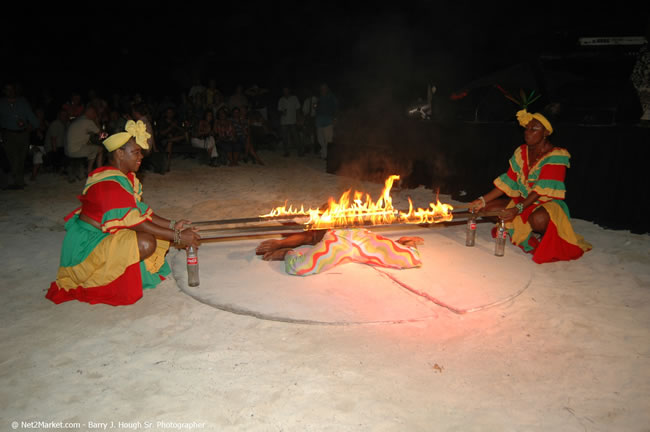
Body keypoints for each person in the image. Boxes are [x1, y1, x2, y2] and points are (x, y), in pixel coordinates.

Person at [46, 120, 201, 306]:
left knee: (156, 235)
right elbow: (136, 222)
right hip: (88, 245)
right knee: (146, 241)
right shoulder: (110, 184)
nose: (140, 156)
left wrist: (172, 225)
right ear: (120, 153)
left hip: (103, 234)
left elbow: (140, 211)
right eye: (135, 152)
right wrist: (177, 236)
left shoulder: (122, 177)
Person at [468, 109, 592, 264]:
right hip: (523, 201)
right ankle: (527, 232)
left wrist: (516, 209)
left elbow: (540, 191)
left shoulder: (557, 155)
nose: (528, 132)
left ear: (546, 132)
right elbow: (508, 181)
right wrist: (482, 200)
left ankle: (546, 233)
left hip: (546, 204)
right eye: (527, 128)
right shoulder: (521, 152)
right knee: (487, 210)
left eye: (534, 129)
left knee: (538, 219)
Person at [256, 228, 424, 276]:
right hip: (338, 241)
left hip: (359, 234)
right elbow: (307, 237)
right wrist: (282, 246)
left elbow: (308, 237)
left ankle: (404, 243)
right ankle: (288, 254)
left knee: (412, 259)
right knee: (300, 267)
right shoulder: (328, 239)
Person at [0, 82, 40, 189]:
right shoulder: (2, 103)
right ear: (4, 91)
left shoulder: (22, 102)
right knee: (13, 158)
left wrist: (31, 126)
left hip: (23, 134)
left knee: (21, 158)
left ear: (15, 90)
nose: (10, 91)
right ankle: (18, 181)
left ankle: (18, 181)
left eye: (12, 89)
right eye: (7, 89)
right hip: (8, 134)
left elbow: (32, 118)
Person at [65, 103, 105, 183]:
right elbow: (102, 135)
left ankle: (84, 172)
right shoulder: (88, 122)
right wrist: (97, 121)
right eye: (94, 114)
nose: (95, 115)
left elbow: (83, 135)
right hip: (76, 151)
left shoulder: (78, 120)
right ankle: (93, 172)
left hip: (67, 151)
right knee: (100, 149)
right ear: (91, 113)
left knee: (92, 147)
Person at [315, 83, 338, 160]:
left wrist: (335, 118)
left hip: (328, 120)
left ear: (327, 89)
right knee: (320, 139)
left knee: (329, 139)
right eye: (322, 88)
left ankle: (329, 156)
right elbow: (316, 108)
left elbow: (335, 107)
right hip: (319, 120)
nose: (323, 89)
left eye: (324, 88)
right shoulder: (318, 97)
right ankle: (324, 154)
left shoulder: (331, 97)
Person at [277, 86, 302, 157]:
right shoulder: (281, 99)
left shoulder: (294, 98)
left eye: (286, 90)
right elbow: (279, 111)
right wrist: (282, 112)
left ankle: (300, 151)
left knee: (296, 137)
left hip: (293, 121)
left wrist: (299, 119)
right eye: (284, 90)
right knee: (285, 138)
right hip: (284, 122)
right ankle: (286, 152)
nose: (285, 91)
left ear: (289, 90)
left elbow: (298, 109)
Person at [44, 108, 69, 174]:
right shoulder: (55, 124)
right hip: (52, 148)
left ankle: (61, 168)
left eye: (66, 115)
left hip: (60, 147)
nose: (64, 116)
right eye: (62, 115)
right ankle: (57, 167)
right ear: (58, 115)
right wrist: (55, 154)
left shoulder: (65, 124)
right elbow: (53, 140)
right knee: (64, 153)